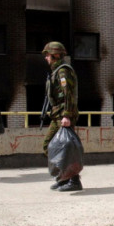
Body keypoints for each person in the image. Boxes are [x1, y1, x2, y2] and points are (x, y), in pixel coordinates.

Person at [42, 41, 82, 192]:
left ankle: (74, 180)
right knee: (56, 147)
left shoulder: (62, 71)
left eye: (48, 55)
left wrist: (66, 115)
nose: (46, 58)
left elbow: (68, 95)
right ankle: (64, 178)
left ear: (55, 55)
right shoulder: (56, 71)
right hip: (58, 114)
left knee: (58, 147)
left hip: (63, 116)